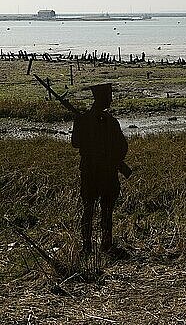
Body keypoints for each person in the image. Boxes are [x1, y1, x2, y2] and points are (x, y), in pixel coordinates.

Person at [71, 83, 128, 254]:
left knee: (90, 209)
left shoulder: (84, 119)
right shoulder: (110, 121)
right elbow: (122, 147)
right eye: (108, 97)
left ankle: (88, 247)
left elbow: (76, 143)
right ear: (101, 99)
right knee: (104, 211)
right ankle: (104, 245)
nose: (110, 100)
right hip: (104, 172)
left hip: (91, 171)